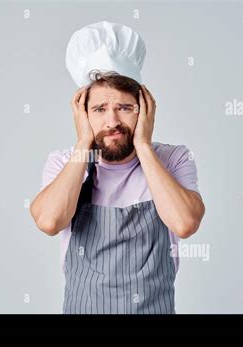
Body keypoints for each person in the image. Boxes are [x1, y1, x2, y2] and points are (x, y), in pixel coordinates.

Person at [30, 21, 205, 314]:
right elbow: (49, 221)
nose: (112, 121)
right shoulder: (65, 162)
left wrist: (145, 147)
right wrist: (84, 142)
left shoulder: (174, 159)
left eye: (124, 107)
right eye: (99, 109)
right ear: (83, 115)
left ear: (144, 109)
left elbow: (185, 223)